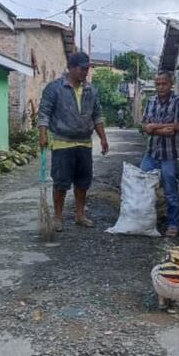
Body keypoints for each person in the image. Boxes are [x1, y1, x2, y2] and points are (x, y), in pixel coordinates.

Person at [37, 52, 109, 232]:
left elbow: (97, 115)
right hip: (62, 142)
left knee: (83, 182)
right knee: (61, 182)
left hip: (84, 143)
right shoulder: (54, 88)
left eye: (87, 69)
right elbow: (44, 113)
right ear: (71, 68)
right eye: (82, 69)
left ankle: (80, 215)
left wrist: (103, 138)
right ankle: (58, 217)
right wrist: (43, 135)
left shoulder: (91, 90)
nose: (85, 72)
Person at [141, 71, 179, 237]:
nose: (160, 87)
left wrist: (154, 128)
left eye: (164, 84)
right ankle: (144, 222)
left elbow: (177, 127)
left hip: (169, 155)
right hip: (151, 153)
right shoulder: (151, 101)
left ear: (171, 84)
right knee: (143, 187)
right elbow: (145, 127)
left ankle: (173, 224)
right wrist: (160, 129)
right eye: (158, 84)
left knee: (170, 191)